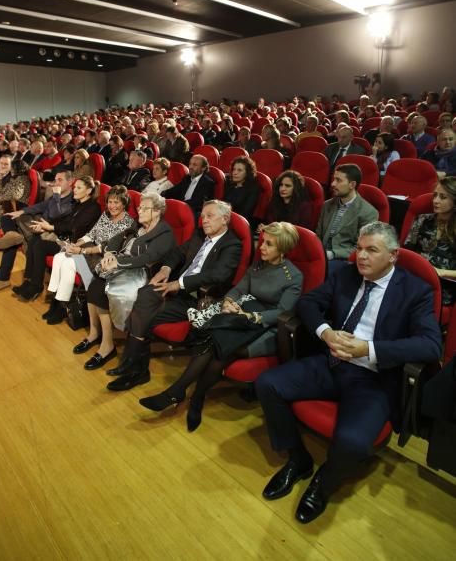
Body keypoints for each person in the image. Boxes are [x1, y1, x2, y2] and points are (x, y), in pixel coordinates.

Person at [256, 221, 441, 524]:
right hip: (331, 362)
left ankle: (324, 481)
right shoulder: (346, 273)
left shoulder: (415, 291)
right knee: (267, 384)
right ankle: (298, 459)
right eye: (359, 248)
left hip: (373, 378)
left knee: (353, 442)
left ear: (393, 255)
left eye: (372, 250)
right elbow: (308, 302)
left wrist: (368, 349)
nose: (362, 256)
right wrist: (326, 332)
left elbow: (431, 346)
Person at [139, 222, 302, 430]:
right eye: (262, 242)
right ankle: (189, 396)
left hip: (266, 327)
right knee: (214, 343)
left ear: (283, 249)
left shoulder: (293, 276)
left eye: (269, 244)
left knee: (218, 349)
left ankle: (186, 395)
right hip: (239, 317)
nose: (261, 247)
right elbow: (239, 289)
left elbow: (282, 312)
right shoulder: (259, 264)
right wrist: (228, 301)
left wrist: (250, 316)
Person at [106, 200, 242, 391]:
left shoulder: (232, 244)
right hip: (176, 289)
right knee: (145, 295)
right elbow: (177, 252)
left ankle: (134, 368)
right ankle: (135, 368)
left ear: (225, 218)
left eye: (209, 216)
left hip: (198, 298)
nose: (204, 220)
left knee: (144, 315)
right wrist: (165, 269)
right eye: (202, 216)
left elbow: (218, 275)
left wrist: (179, 284)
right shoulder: (199, 234)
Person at [79, 192, 176, 370]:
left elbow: (148, 257)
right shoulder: (139, 225)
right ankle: (95, 335)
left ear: (156, 211)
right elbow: (116, 239)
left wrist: (118, 262)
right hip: (124, 266)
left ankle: (106, 346)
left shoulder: (165, 232)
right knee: (94, 286)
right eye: (139, 207)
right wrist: (110, 253)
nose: (139, 210)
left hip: (142, 272)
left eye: (143, 208)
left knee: (99, 287)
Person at [44, 185, 135, 324]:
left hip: (102, 259)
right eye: (110, 202)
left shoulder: (128, 223)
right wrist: (77, 244)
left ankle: (61, 306)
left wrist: (81, 251)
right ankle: (57, 302)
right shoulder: (105, 215)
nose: (112, 206)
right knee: (59, 257)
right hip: (88, 251)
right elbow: (91, 234)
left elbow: (109, 248)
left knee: (68, 262)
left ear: (124, 203)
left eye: (116, 202)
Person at [13, 176, 101, 301]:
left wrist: (50, 227)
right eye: (75, 187)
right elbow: (63, 221)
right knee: (34, 240)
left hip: (76, 245)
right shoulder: (77, 204)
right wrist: (46, 228)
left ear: (88, 191)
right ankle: (29, 281)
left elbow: (73, 227)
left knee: (40, 245)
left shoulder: (93, 208)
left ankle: (36, 286)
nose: (74, 190)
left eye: (79, 188)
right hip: (64, 238)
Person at [316, 164, 378, 273]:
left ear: (352, 184)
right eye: (334, 179)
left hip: (343, 260)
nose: (333, 184)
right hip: (321, 254)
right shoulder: (327, 205)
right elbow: (318, 235)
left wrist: (333, 253)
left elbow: (362, 248)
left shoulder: (368, 212)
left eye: (338, 180)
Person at [404, 177, 456, 305]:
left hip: (442, 285)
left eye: (443, 197)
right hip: (414, 278)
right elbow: (407, 253)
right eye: (435, 195)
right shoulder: (422, 220)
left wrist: (441, 272)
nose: (435, 201)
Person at [162, 154, 214, 219]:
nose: (191, 167)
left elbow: (197, 202)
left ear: (203, 168)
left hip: (193, 212)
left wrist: (177, 205)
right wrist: (162, 195)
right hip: (180, 208)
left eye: (194, 165)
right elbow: (175, 190)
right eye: (190, 164)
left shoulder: (207, 183)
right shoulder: (187, 178)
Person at [0, 156, 31, 232]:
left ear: (16, 169)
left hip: (13, 207)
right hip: (6, 205)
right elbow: (0, 192)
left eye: (9, 166)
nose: (10, 169)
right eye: (1, 163)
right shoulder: (14, 178)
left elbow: (14, 195)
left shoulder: (22, 179)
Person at [223, 156, 259, 226]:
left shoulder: (253, 189)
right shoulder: (229, 184)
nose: (235, 173)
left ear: (247, 173)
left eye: (239, 170)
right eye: (234, 169)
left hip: (240, 223)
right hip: (224, 219)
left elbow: (245, 213)